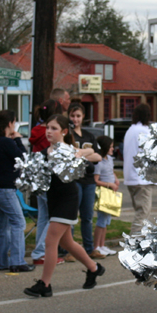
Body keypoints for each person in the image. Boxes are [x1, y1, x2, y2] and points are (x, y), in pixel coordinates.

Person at [24, 114, 104, 297]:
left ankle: (45, 284)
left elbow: (95, 155)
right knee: (67, 242)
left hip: (68, 199)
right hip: (53, 200)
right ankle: (94, 268)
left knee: (50, 241)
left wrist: (79, 153)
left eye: (54, 128)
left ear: (64, 132)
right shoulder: (44, 153)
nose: (49, 132)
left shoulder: (68, 149)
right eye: (47, 128)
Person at [0, 109, 31, 273]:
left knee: (3, 224)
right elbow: (22, 159)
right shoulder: (6, 142)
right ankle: (17, 261)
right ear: (11, 123)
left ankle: (1, 261)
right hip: (5, 188)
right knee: (18, 222)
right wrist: (18, 140)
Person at [28, 99, 65, 266]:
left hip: (38, 179)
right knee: (52, 219)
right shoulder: (51, 135)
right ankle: (41, 251)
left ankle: (39, 252)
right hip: (48, 179)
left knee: (43, 217)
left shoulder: (36, 130)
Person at [68, 103, 101, 259]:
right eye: (73, 116)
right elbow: (68, 155)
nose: (75, 119)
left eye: (78, 116)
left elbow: (97, 157)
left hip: (89, 181)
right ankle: (70, 250)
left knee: (87, 217)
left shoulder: (89, 135)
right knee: (72, 216)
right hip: (74, 180)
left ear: (83, 117)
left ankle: (89, 249)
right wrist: (87, 153)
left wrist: (80, 154)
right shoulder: (67, 135)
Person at [123, 104, 157, 235]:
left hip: (131, 177)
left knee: (139, 210)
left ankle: (138, 239)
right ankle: (135, 241)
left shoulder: (130, 131)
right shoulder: (144, 131)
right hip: (142, 178)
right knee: (143, 212)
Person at [93, 135, 119, 256]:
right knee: (101, 220)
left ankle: (102, 245)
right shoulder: (98, 162)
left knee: (107, 220)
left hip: (110, 192)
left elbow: (111, 171)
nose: (113, 149)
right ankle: (96, 246)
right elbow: (96, 180)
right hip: (103, 192)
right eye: (111, 147)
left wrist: (116, 179)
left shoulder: (110, 159)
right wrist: (109, 184)